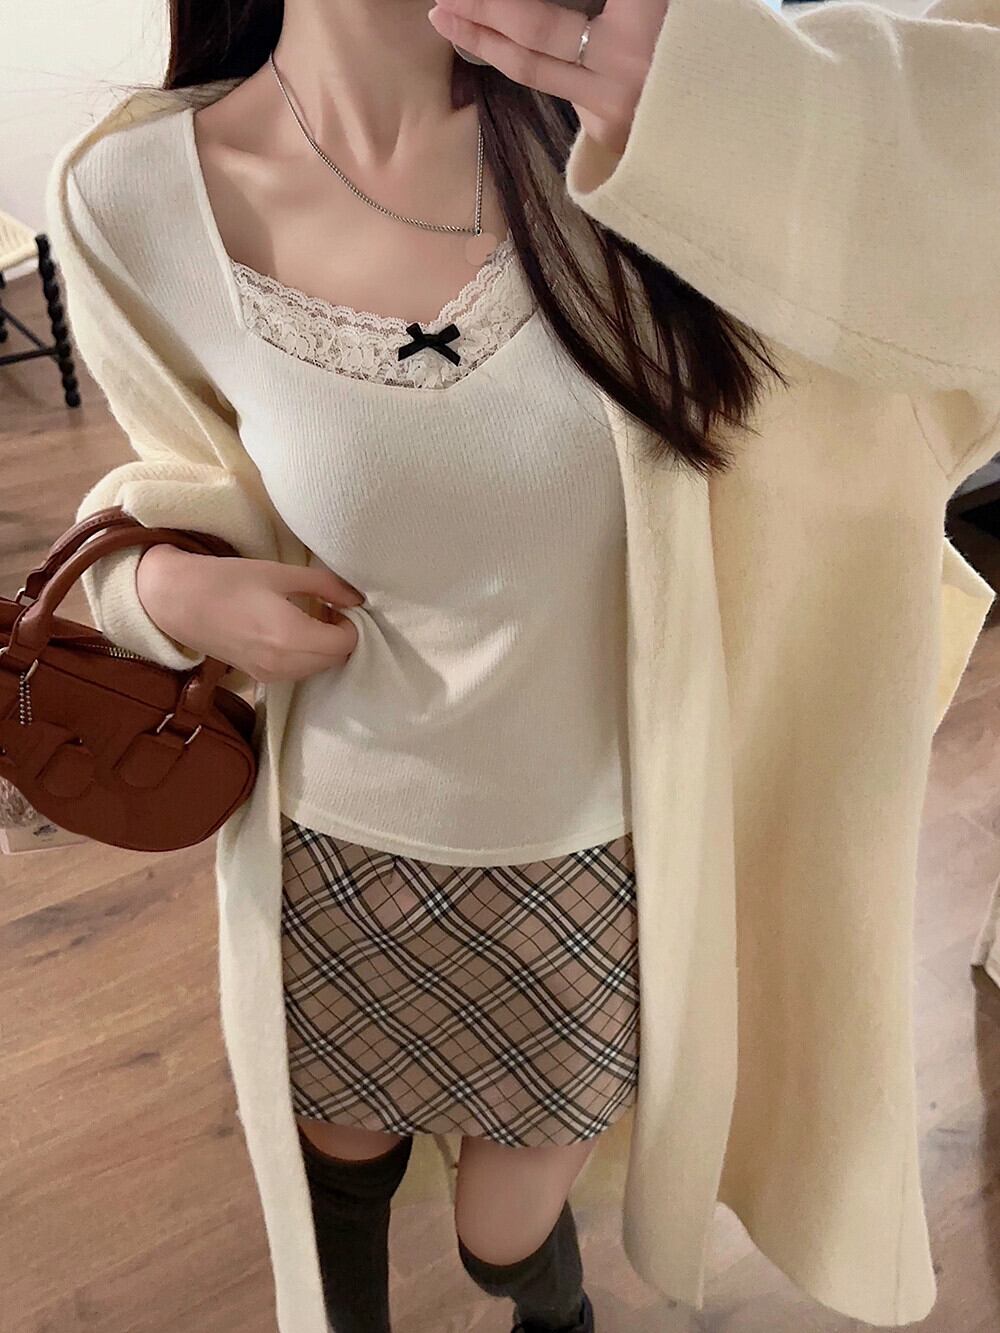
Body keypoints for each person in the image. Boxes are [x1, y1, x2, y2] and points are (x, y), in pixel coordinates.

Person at [45, 0, 1000, 1331]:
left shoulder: (644, 127)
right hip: (333, 852)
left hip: (591, 858)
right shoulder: (131, 196)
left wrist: (745, 100)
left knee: (511, 1230)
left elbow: (958, 260)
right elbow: (182, 482)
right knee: (338, 1172)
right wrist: (159, 587)